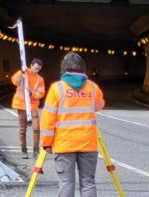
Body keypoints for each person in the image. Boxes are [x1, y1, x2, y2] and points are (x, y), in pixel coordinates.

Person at [41, 52, 105, 197]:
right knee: (88, 182)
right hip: (88, 143)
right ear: (83, 67)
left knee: (66, 183)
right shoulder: (92, 87)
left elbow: (48, 119)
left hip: (64, 144)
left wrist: (46, 143)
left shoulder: (57, 88)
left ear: (63, 68)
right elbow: (99, 105)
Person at [11, 58, 46, 159]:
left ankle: (36, 150)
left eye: (38, 69)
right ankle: (24, 151)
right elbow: (14, 81)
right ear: (31, 65)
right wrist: (21, 72)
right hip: (21, 105)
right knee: (23, 129)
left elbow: (41, 93)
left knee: (36, 128)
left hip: (33, 106)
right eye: (35, 68)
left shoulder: (40, 79)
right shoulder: (23, 74)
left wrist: (32, 94)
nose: (36, 70)